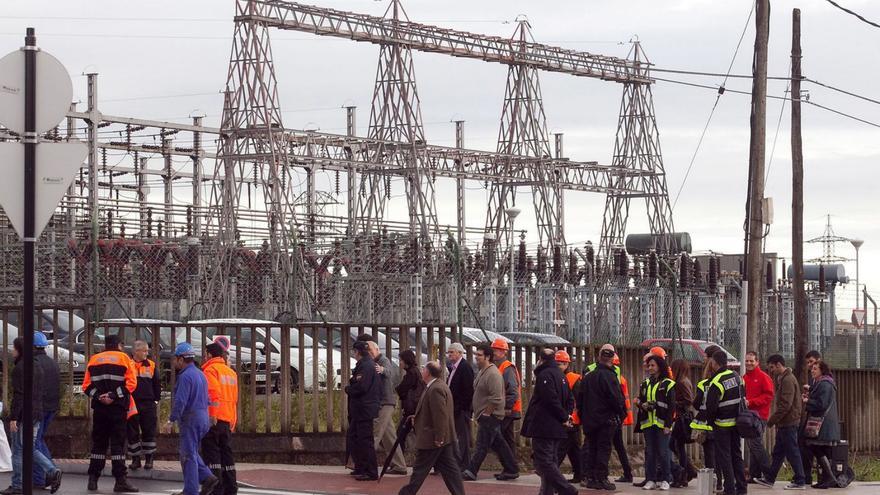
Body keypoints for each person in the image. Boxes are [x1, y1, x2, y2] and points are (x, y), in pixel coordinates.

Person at [0, 337, 62, 495]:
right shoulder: (37, 366)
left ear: (19, 349)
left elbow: (19, 395)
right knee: (29, 447)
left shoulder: (20, 368)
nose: (12, 351)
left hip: (24, 414)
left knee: (18, 449)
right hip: (37, 413)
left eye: (14, 348)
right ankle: (52, 470)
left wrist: (14, 417)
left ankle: (18, 484)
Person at [398, 361, 465, 495]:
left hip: (432, 438)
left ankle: (406, 493)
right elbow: (431, 411)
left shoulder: (436, 389)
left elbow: (440, 415)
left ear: (428, 373)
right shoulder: (437, 386)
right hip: (440, 438)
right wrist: (416, 418)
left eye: (423, 369)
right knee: (450, 470)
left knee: (420, 470)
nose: (421, 371)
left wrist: (439, 437)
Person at [82, 334, 138, 493]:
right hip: (118, 408)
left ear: (105, 345)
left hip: (100, 408)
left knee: (99, 443)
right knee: (117, 445)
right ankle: (120, 480)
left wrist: (99, 396)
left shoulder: (94, 359)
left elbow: (86, 386)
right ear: (119, 345)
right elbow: (132, 383)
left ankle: (93, 479)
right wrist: (113, 396)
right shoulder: (125, 358)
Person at [160, 342, 218, 495]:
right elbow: (207, 398)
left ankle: (191, 491)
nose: (173, 362)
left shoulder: (185, 377)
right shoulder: (200, 374)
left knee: (188, 456)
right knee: (191, 451)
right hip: (202, 417)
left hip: (191, 419)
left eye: (175, 359)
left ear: (181, 359)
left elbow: (180, 401)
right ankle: (207, 477)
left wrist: (171, 420)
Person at [522, 349, 578, 495]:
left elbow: (550, 400)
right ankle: (546, 492)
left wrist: (563, 417)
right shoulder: (562, 376)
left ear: (541, 359)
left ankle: (567, 489)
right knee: (550, 462)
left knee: (543, 462)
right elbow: (570, 399)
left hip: (544, 426)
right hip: (557, 427)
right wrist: (566, 417)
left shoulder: (544, 375)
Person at [462, 343, 518, 481]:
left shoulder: (493, 373)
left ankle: (471, 470)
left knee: (482, 444)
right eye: (476, 355)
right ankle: (511, 469)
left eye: (479, 355)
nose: (476, 358)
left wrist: (487, 412)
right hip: (485, 414)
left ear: (488, 357)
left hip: (490, 415)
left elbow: (496, 397)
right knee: (498, 443)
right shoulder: (483, 371)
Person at [579, 344, 627, 491]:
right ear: (612, 359)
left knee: (592, 448)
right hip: (606, 420)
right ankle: (601, 477)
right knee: (603, 449)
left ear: (599, 358)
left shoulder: (588, 377)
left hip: (590, 420)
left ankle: (592, 477)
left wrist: (583, 417)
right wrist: (621, 414)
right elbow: (616, 399)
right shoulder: (611, 377)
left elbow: (580, 400)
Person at [754, 354, 806, 490]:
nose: (771, 370)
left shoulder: (788, 380)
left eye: (772, 367)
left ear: (778, 365)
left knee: (792, 451)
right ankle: (770, 478)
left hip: (789, 422)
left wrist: (772, 420)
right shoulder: (782, 379)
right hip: (785, 423)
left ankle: (800, 480)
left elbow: (785, 405)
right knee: (778, 452)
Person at [361, 336, 407, 475]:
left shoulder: (383, 360)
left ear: (376, 349)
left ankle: (365, 464)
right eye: (366, 350)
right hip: (383, 402)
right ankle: (399, 465)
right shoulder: (371, 362)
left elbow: (390, 372)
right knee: (389, 436)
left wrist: (382, 369)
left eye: (370, 349)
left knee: (376, 433)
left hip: (386, 402)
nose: (368, 352)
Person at [703, 350, 746, 495]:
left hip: (721, 425)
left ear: (714, 363)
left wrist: (711, 423)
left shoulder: (716, 381)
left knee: (724, 458)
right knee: (736, 455)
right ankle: (741, 488)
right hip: (737, 424)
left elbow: (711, 407)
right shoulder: (737, 377)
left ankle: (729, 489)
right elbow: (742, 396)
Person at [201, 342, 239, 495]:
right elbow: (234, 399)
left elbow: (213, 394)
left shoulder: (210, 370)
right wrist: (233, 421)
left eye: (205, 354)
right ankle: (231, 487)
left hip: (214, 419)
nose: (204, 357)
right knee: (227, 457)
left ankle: (215, 489)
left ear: (210, 354)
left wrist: (211, 416)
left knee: (212, 456)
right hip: (227, 419)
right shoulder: (230, 372)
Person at [635, 355, 675, 491]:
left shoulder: (668, 384)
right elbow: (640, 399)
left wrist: (668, 425)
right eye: (649, 365)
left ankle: (666, 479)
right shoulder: (645, 383)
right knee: (650, 452)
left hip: (662, 424)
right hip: (648, 423)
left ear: (660, 366)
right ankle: (651, 479)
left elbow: (671, 407)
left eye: (653, 365)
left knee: (663, 452)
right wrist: (641, 404)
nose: (650, 368)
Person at [345, 339, 381, 481]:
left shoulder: (366, 366)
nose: (353, 354)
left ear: (357, 352)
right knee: (355, 438)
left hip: (364, 409)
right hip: (361, 409)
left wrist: (348, 389)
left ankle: (371, 471)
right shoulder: (366, 365)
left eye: (354, 352)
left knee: (365, 440)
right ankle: (360, 467)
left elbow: (362, 387)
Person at [802, 361, 840, 489]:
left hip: (824, 424)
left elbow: (822, 403)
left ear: (822, 370)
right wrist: (811, 390)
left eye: (815, 369)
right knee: (823, 450)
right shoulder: (821, 383)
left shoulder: (825, 384)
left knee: (816, 448)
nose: (812, 370)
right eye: (812, 368)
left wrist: (808, 401)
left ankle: (829, 477)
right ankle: (826, 479)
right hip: (825, 423)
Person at [690, 345, 723, 493]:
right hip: (720, 423)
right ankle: (720, 482)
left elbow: (696, 403)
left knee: (709, 456)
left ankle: (712, 483)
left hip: (705, 424)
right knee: (721, 455)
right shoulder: (724, 380)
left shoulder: (703, 384)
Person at [32, 332, 60, 490]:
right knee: (38, 440)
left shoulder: (33, 363)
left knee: (33, 443)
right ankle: (42, 477)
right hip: (51, 407)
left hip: (38, 409)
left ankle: (48, 473)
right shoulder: (52, 362)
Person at [127, 340, 160, 471]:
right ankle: (135, 459)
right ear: (135, 352)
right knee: (132, 432)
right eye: (144, 350)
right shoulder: (128, 365)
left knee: (149, 431)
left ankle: (149, 459)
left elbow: (157, 384)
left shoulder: (151, 365)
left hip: (148, 403)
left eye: (147, 350)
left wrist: (156, 400)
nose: (147, 353)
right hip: (132, 403)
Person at [743, 351, 773, 483]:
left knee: (755, 444)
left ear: (757, 362)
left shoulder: (763, 377)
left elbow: (768, 396)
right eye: (747, 361)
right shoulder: (744, 377)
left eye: (751, 361)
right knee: (752, 444)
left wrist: (751, 402)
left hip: (759, 416)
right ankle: (755, 474)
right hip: (748, 416)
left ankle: (769, 474)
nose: (749, 363)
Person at [554, 350, 582, 484]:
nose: (557, 366)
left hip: (571, 420)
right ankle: (579, 473)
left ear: (566, 364)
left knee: (562, 448)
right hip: (568, 419)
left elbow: (578, 401)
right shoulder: (560, 377)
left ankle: (552, 474)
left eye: (560, 364)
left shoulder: (573, 379)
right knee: (573, 449)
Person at [445, 342, 474, 471]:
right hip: (455, 408)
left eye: (452, 352)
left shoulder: (465, 367)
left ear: (459, 353)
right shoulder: (454, 368)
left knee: (463, 438)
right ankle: (456, 463)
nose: (449, 354)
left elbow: (467, 391)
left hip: (461, 410)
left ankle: (464, 465)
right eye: (449, 352)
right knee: (456, 437)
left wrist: (460, 408)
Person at [669, 358, 697, 487]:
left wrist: (673, 403)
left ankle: (685, 473)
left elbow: (688, 400)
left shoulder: (681, 382)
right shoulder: (683, 381)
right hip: (681, 417)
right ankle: (688, 471)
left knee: (675, 445)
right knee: (677, 445)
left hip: (682, 418)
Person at [491, 338, 521, 452]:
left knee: (497, 437)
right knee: (507, 439)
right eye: (493, 349)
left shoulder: (507, 368)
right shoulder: (502, 367)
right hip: (508, 409)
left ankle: (510, 465)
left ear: (504, 352)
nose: (494, 352)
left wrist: (505, 407)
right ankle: (511, 465)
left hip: (507, 410)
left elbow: (513, 391)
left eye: (497, 350)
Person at [798, 350, 822, 485]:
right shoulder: (813, 379)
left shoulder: (823, 380)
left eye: (812, 362)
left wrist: (809, 398)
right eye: (808, 363)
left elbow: (822, 401)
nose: (810, 366)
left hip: (817, 419)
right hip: (811, 416)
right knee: (802, 443)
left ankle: (808, 475)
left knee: (806, 444)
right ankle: (806, 475)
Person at [395, 349, 425, 448]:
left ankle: (400, 459)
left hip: (412, 410)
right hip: (413, 409)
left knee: (400, 434)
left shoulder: (412, 373)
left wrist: (399, 391)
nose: (400, 363)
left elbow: (402, 388)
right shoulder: (413, 372)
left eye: (401, 360)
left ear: (406, 361)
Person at [612, 354, 634, 484]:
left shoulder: (614, 379)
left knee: (606, 446)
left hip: (614, 417)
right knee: (619, 446)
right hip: (619, 417)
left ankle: (627, 473)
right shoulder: (621, 379)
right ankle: (628, 473)